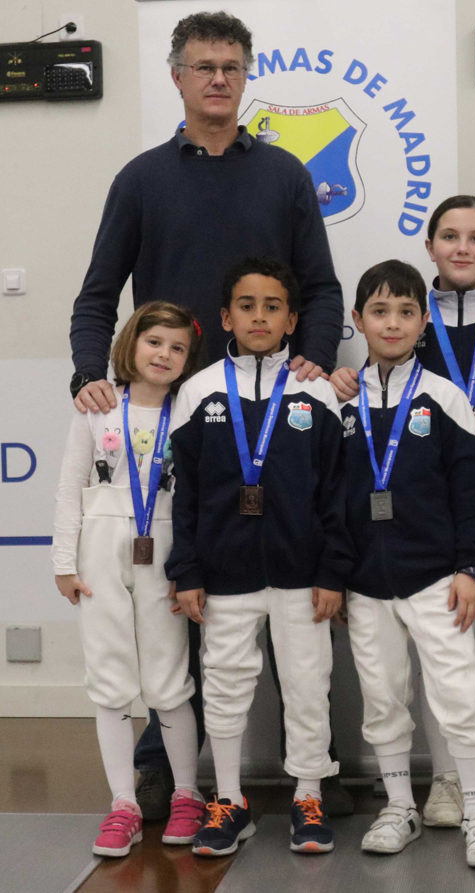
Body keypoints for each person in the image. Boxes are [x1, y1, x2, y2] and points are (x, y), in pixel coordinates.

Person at [68, 10, 346, 818]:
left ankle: (311, 776)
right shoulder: (142, 178)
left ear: (246, 75)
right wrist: (91, 376)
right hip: (169, 417)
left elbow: (322, 287)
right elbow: (97, 295)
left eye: (231, 66)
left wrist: (313, 358)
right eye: (203, 66)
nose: (218, 78)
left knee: (285, 586)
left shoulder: (285, 175)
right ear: (178, 77)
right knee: (174, 592)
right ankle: (167, 767)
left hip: (269, 414)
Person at [330, 197, 475, 827]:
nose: (463, 247)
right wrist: (341, 379)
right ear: (430, 247)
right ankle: (445, 781)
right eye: (450, 235)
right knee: (432, 649)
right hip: (419, 525)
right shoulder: (408, 315)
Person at [166, 258, 353, 857]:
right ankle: (229, 800)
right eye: (246, 306)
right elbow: (183, 495)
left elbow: (337, 493)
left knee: (307, 686)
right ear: (225, 317)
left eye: (273, 307)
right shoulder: (197, 391)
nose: (259, 317)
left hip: (303, 577)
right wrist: (187, 571)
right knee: (223, 686)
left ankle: (308, 796)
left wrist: (332, 571)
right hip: (223, 576)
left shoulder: (315, 392)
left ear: (292, 320)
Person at [340, 260, 475, 869]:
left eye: (406, 312)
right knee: (382, 697)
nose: (393, 323)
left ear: (423, 324)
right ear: (358, 319)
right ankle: (398, 807)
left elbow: (471, 491)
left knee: (460, 695)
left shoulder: (445, 396)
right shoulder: (339, 402)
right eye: (380, 311)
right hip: (365, 584)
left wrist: (469, 567)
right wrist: (336, 575)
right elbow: (326, 499)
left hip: (438, 578)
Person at [52, 302, 206, 858]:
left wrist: (191, 568)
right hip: (99, 551)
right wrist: (63, 563)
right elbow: (70, 487)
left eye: (177, 348)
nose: (164, 354)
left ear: (188, 360)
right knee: (111, 679)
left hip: (165, 550)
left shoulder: (190, 409)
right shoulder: (97, 406)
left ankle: (186, 794)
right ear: (130, 344)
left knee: (169, 679)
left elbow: (198, 495)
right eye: (154, 342)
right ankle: (124, 804)